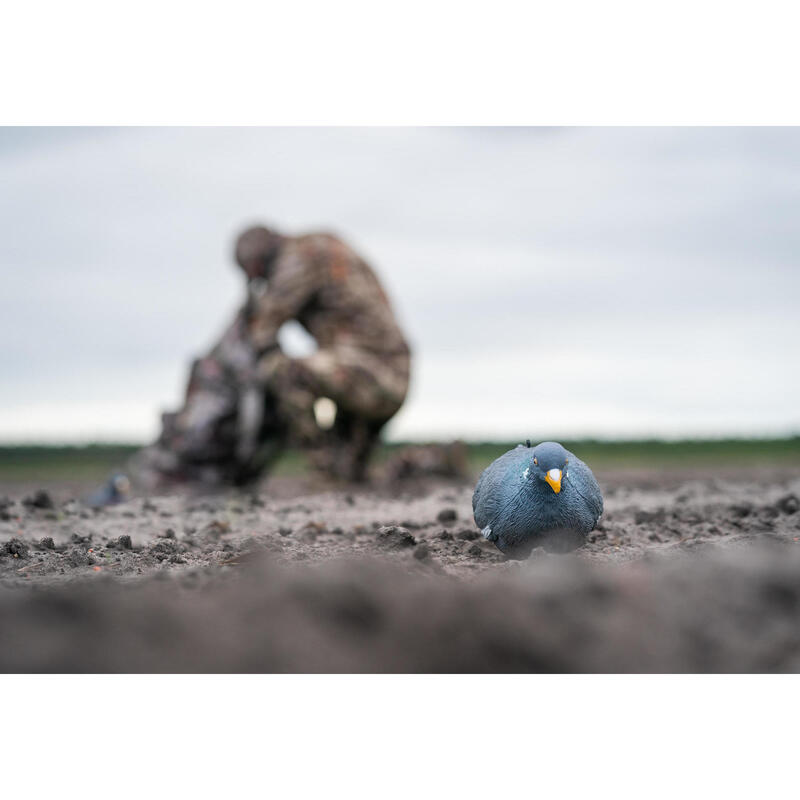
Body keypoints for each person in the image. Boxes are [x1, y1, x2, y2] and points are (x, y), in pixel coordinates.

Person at [117, 224, 411, 497]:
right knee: (352, 475)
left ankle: (325, 475)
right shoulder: (321, 246)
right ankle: (356, 472)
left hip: (374, 377)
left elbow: (264, 325)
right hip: (387, 375)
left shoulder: (301, 256)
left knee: (282, 370)